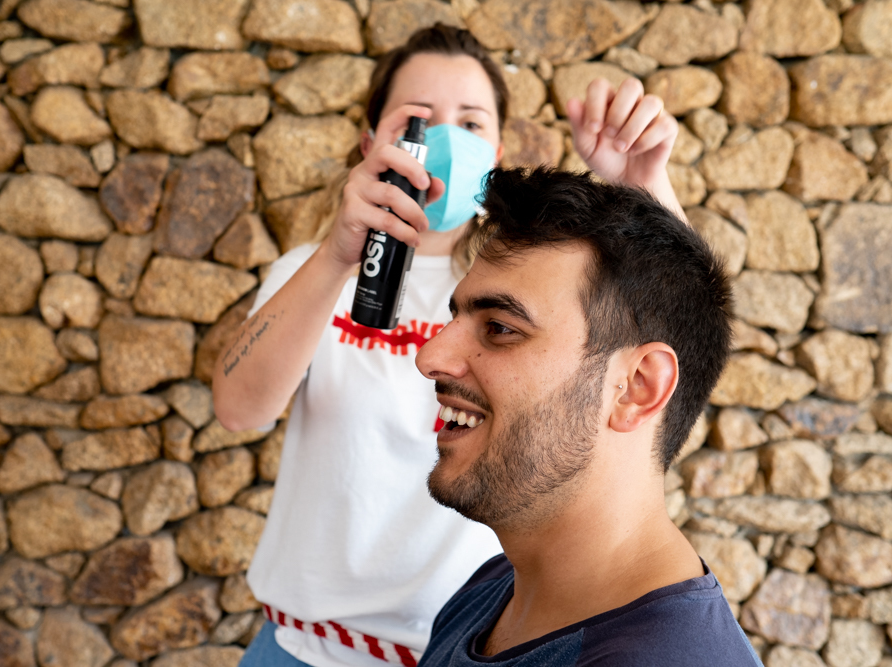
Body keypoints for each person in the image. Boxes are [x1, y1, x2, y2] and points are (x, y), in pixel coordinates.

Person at [213, 23, 685, 667]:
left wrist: (641, 189)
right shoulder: (312, 273)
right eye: (418, 119)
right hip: (298, 649)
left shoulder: (528, 292)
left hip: (455, 653)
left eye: (470, 123)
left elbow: (667, 351)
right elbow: (240, 408)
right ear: (370, 142)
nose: (445, 142)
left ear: (495, 150)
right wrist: (334, 256)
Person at [413, 166, 762, 666]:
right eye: (455, 318)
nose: (430, 356)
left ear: (636, 389)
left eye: (500, 328)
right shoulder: (492, 589)